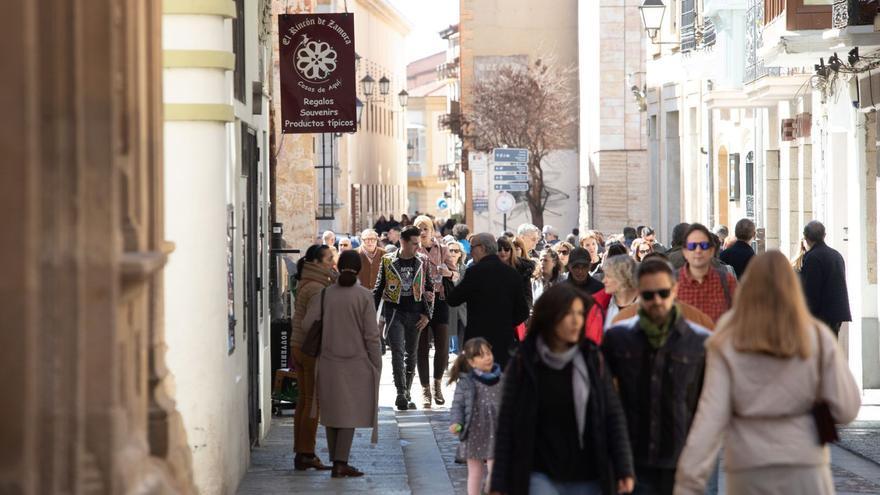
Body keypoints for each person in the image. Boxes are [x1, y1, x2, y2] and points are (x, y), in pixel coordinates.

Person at [674, 251, 861, 495]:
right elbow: (847, 407)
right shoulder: (816, 336)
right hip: (804, 461)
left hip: (748, 464)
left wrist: (689, 479)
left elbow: (711, 415)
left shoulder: (727, 339)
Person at [490, 283, 635, 495]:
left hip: (589, 473)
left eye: (579, 313)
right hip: (539, 472)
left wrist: (624, 468)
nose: (576, 320)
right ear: (550, 316)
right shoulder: (525, 361)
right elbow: (507, 423)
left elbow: (613, 415)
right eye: (568, 313)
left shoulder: (592, 357)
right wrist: (498, 482)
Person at [603, 258, 710, 495]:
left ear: (675, 291)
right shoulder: (617, 337)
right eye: (649, 295)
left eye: (663, 293)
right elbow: (604, 398)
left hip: (681, 460)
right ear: (639, 294)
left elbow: (709, 403)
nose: (657, 301)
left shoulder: (699, 341)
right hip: (631, 459)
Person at [301, 251, 382, 478]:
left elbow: (308, 325)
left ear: (338, 267)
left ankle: (337, 461)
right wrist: (376, 362)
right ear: (359, 269)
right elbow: (371, 335)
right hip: (356, 362)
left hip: (327, 361)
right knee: (349, 413)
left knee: (332, 411)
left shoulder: (325, 295)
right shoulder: (364, 296)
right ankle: (340, 462)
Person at [447, 233, 529, 369]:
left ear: (482, 248)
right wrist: (506, 323)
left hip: (477, 340)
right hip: (504, 340)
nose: (470, 251)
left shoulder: (474, 273)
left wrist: (449, 279)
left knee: (477, 383)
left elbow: (453, 299)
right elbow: (523, 312)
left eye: (472, 247)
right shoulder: (512, 274)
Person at [373, 226, 431, 411]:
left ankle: (407, 391)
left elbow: (429, 289)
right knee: (397, 351)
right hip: (394, 312)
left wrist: (428, 314)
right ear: (403, 242)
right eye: (414, 244)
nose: (418, 248)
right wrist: (369, 314)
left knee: (411, 353)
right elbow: (378, 288)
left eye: (419, 244)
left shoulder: (422, 261)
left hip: (416, 313)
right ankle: (400, 391)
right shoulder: (388, 260)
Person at [290, 244, 335, 471]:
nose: (332, 263)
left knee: (304, 401)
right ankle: (306, 453)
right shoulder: (318, 287)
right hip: (309, 348)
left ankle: (301, 452)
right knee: (312, 403)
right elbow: (311, 323)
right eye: (328, 259)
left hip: (297, 345)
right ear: (316, 262)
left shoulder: (307, 280)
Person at [449, 338, 504, 495]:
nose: (487, 357)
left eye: (488, 353)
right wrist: (456, 422)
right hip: (474, 434)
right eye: (481, 355)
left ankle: (489, 489)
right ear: (472, 362)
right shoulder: (466, 383)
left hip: (496, 432)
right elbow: (457, 406)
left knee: (497, 471)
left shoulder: (502, 379)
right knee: (475, 472)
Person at [413, 215, 457, 408]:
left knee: (442, 347)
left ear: (432, 230)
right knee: (421, 348)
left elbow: (455, 274)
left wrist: (447, 272)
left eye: (425, 228)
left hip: (440, 301)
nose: (422, 232)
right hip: (419, 302)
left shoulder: (443, 248)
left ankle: (437, 384)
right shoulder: (412, 249)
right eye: (419, 228)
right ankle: (424, 389)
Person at [676, 223, 737, 323]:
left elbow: (738, 319)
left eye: (704, 245)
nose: (698, 250)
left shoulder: (727, 282)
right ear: (685, 251)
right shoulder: (671, 283)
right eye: (692, 246)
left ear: (711, 251)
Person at [800, 220, 852, 337]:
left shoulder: (813, 258)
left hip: (820, 315)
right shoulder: (836, 255)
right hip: (836, 314)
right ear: (824, 236)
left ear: (806, 238)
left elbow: (811, 291)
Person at [602, 255, 639, 331]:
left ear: (623, 276)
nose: (603, 280)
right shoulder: (603, 304)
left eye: (608, 276)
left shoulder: (646, 305)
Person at [499, 236, 537, 311]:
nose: (503, 252)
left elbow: (527, 295)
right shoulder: (492, 268)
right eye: (499, 249)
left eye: (506, 249)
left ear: (511, 251)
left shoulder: (523, 269)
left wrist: (523, 311)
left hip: (518, 313)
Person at [446, 241, 468, 354]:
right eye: (450, 250)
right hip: (447, 311)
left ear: (460, 254)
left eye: (456, 251)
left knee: (461, 346)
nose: (453, 253)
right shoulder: (442, 268)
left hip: (463, 311)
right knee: (445, 346)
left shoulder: (465, 269)